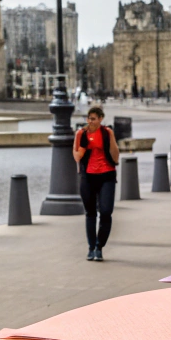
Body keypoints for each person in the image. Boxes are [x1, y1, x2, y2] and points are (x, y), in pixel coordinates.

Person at [73, 105, 120, 262]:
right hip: (88, 176)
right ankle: (92, 248)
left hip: (107, 174)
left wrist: (112, 143)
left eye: (94, 118)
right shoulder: (81, 133)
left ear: (101, 119)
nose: (91, 121)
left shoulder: (107, 132)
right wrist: (82, 148)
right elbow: (77, 156)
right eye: (89, 118)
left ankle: (100, 246)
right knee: (90, 213)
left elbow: (115, 154)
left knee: (106, 212)